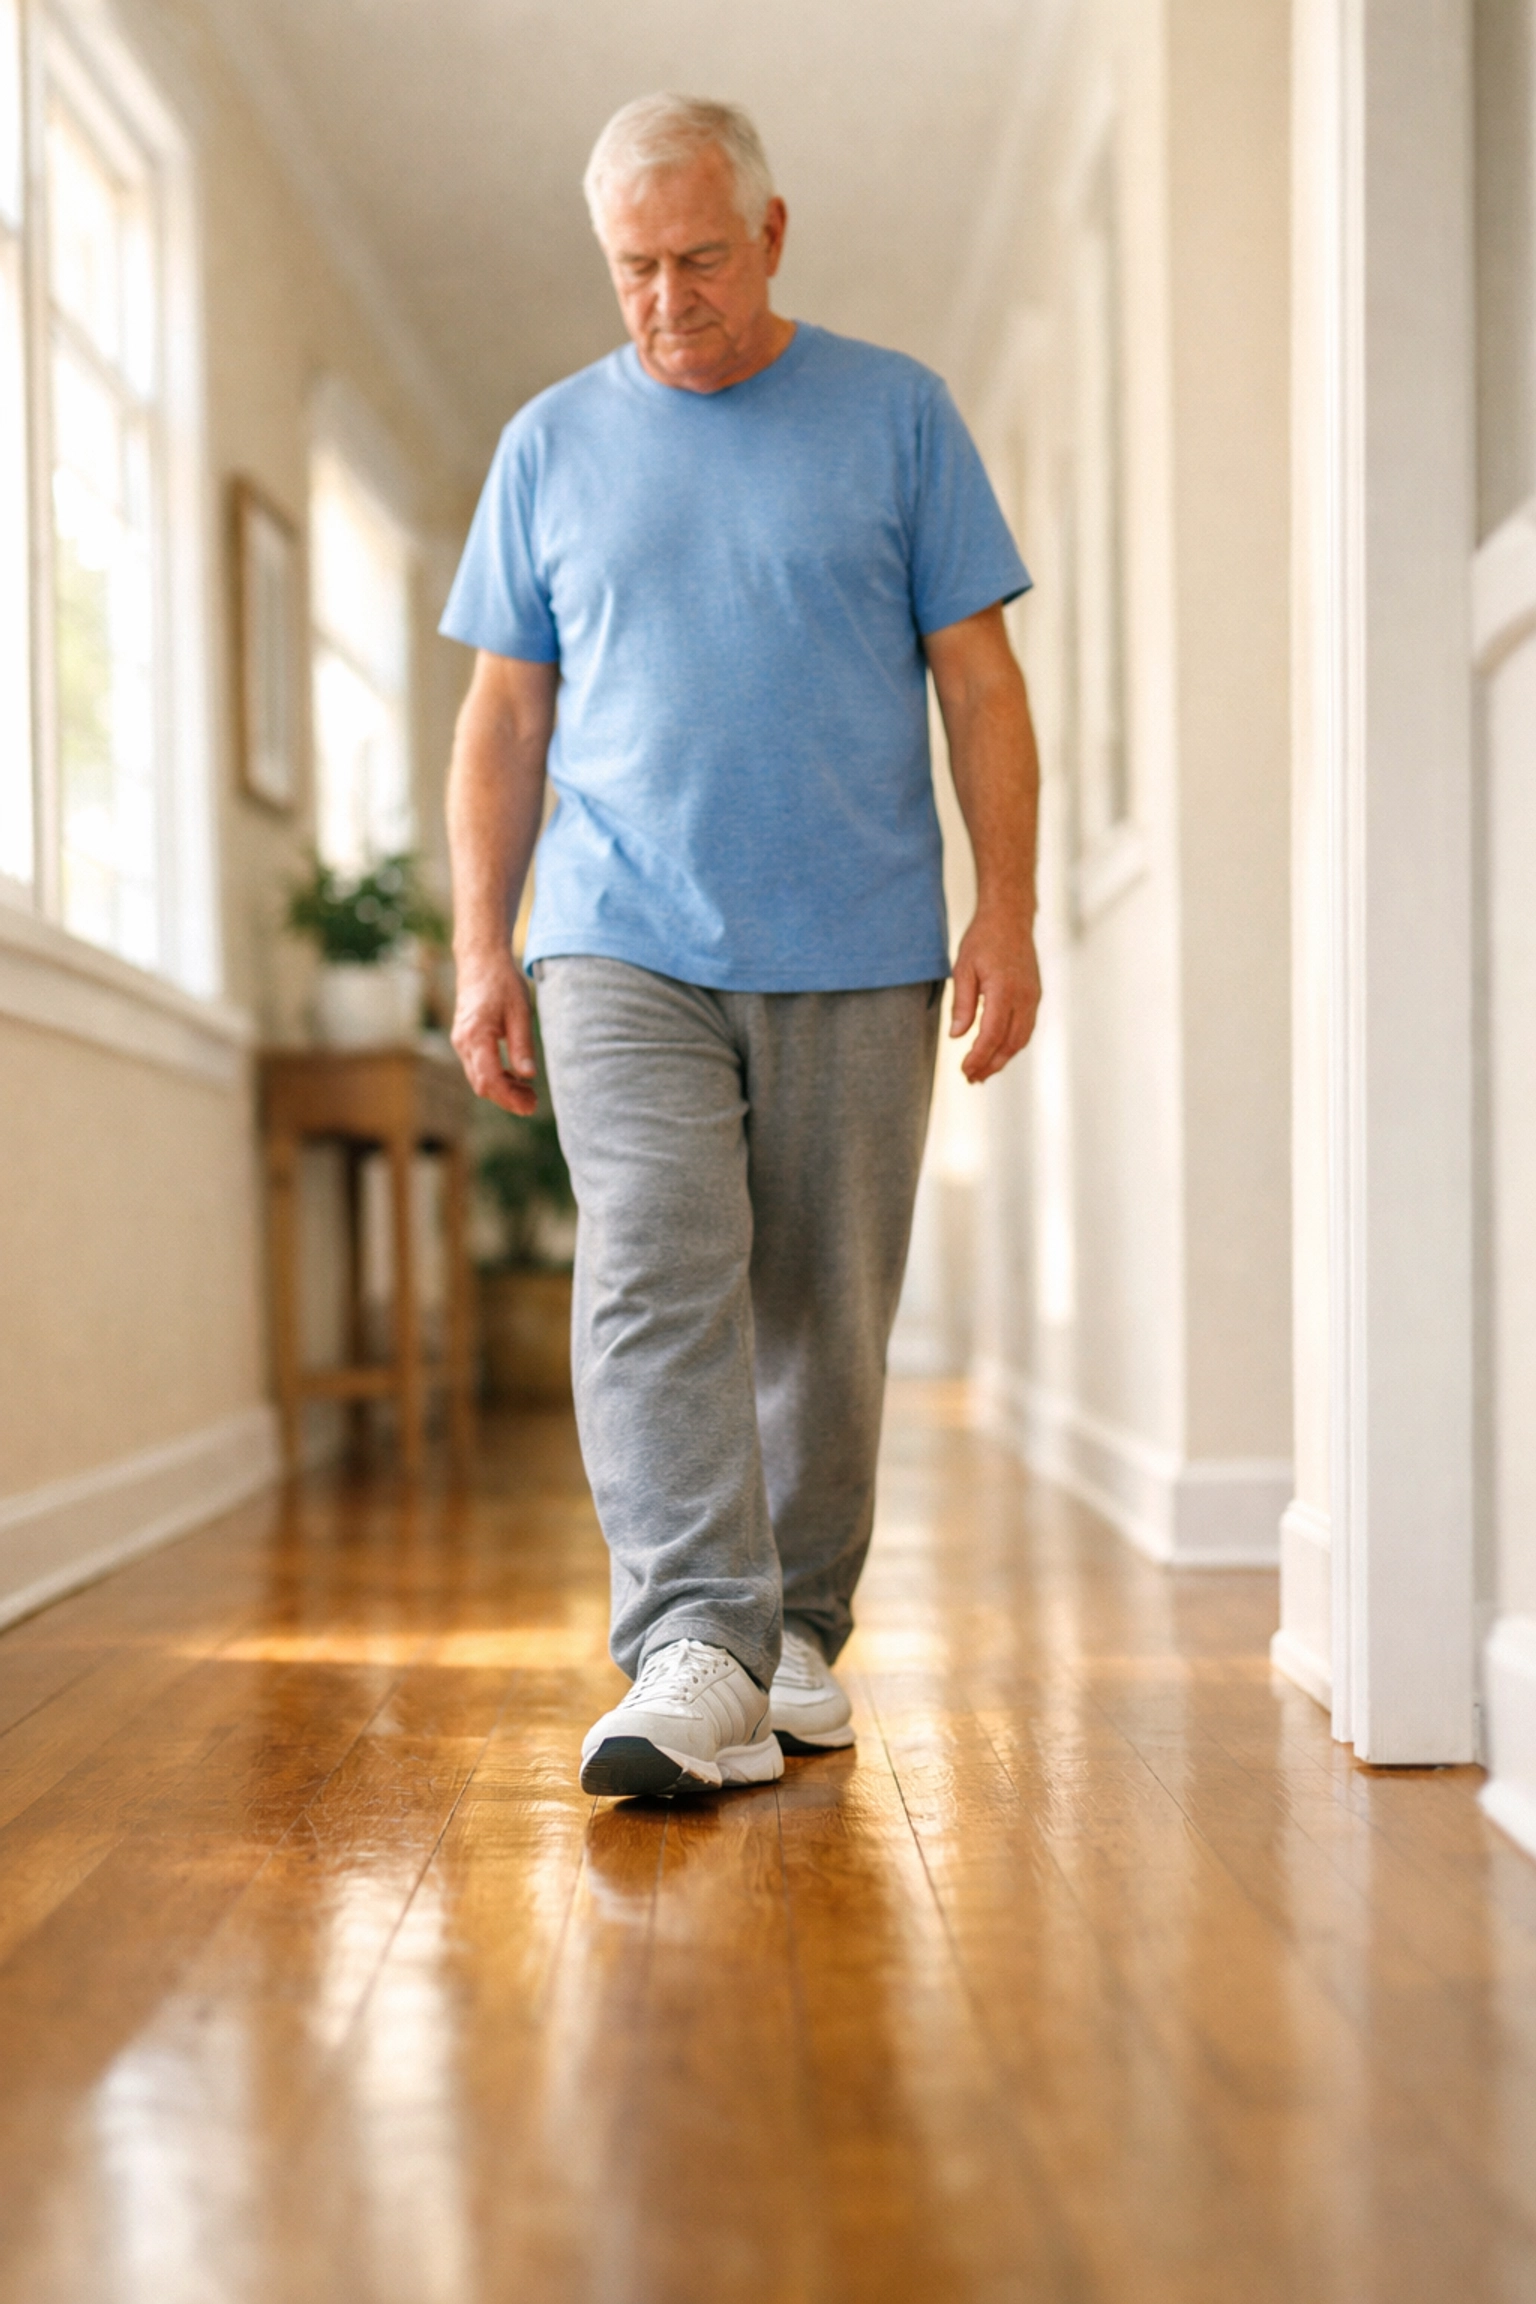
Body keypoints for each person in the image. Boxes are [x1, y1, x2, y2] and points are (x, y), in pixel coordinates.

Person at [441, 93, 1042, 1798]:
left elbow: (980, 683)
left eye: (700, 258)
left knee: (822, 1303)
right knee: (652, 1256)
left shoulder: (897, 416)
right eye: (633, 267)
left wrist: (1006, 905)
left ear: (770, 235)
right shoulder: (549, 446)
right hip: (619, 932)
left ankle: (791, 1635)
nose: (667, 300)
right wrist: (487, 944)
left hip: (855, 934)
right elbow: (503, 716)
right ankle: (693, 1637)